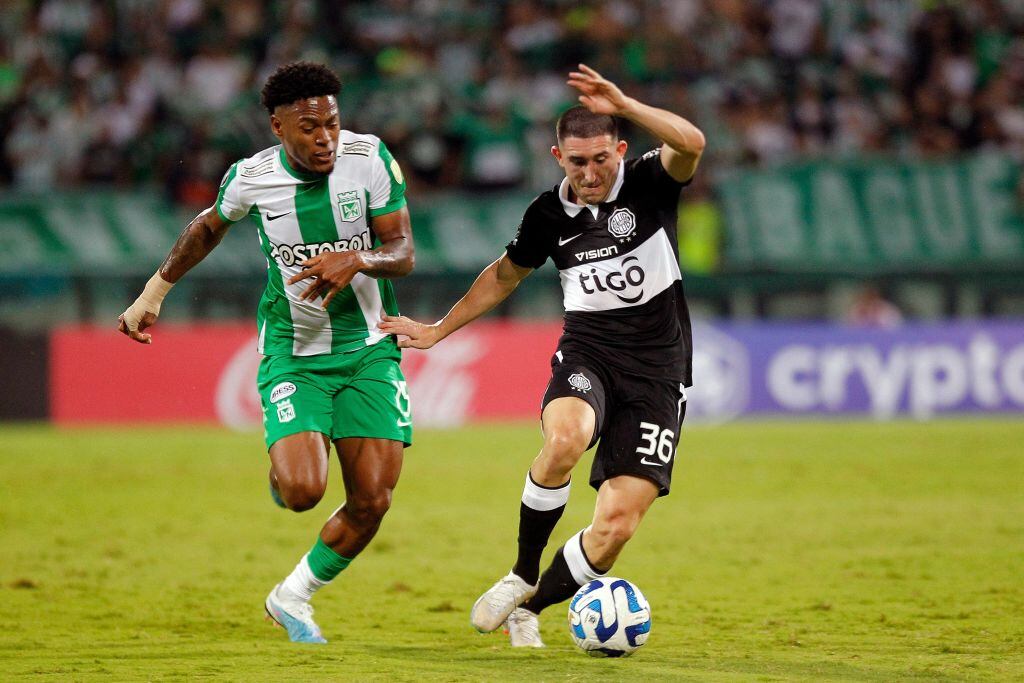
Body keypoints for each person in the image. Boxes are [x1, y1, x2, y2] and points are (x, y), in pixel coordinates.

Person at [380, 64, 705, 647]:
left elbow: (692, 142)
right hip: (591, 353)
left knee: (614, 528)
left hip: (659, 372)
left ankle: (531, 607)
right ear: (558, 157)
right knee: (563, 440)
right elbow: (504, 276)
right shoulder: (547, 216)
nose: (590, 172)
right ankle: (522, 570)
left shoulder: (651, 182)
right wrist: (436, 331)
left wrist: (626, 101)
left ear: (621, 149)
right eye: (576, 162)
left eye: (601, 159)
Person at [117, 61, 415, 644]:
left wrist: (357, 258)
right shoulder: (250, 177)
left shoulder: (370, 157)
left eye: (330, 122)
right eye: (308, 128)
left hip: (370, 349)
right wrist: (154, 294)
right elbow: (206, 228)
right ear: (278, 126)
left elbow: (401, 249)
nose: (324, 137)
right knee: (303, 491)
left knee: (373, 500)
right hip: (295, 349)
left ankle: (292, 596)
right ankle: (288, 463)